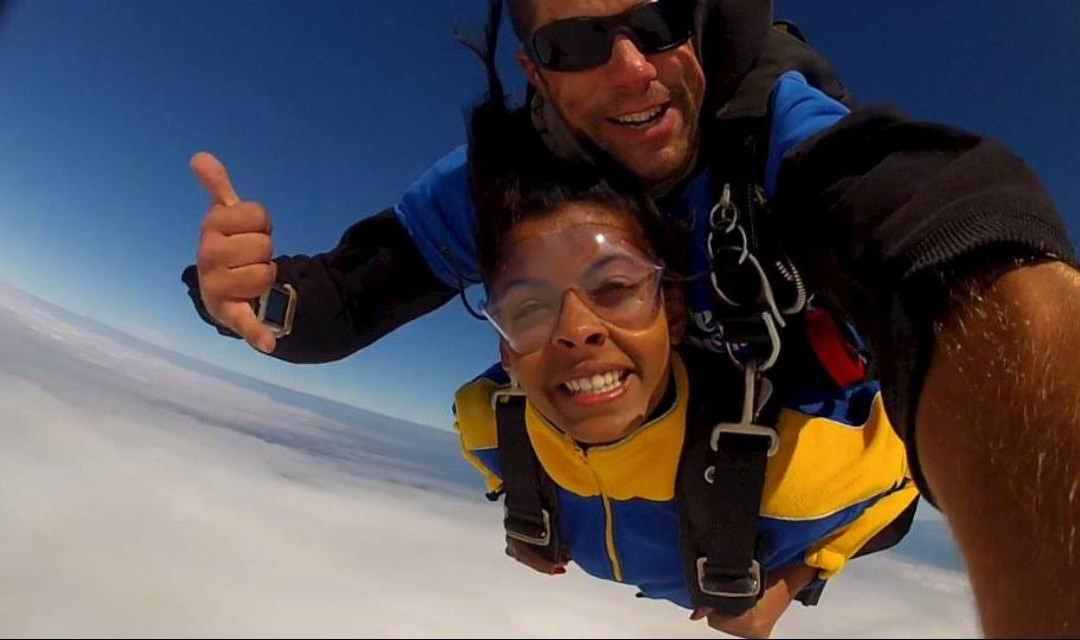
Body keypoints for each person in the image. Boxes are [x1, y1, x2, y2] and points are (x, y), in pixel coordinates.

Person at [184, 1, 1079, 634]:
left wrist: (798, 576)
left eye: (655, 26)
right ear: (534, 73)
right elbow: (343, 301)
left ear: (702, 31)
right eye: (576, 44)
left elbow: (933, 227)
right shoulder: (506, 188)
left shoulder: (780, 137)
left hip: (800, 445)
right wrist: (248, 295)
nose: (631, 69)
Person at [451, 63, 919, 638]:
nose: (576, 329)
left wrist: (795, 580)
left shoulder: (795, 477)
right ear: (504, 348)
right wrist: (526, 509)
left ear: (673, 314)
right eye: (528, 308)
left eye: (616, 288)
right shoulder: (487, 426)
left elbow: (902, 484)